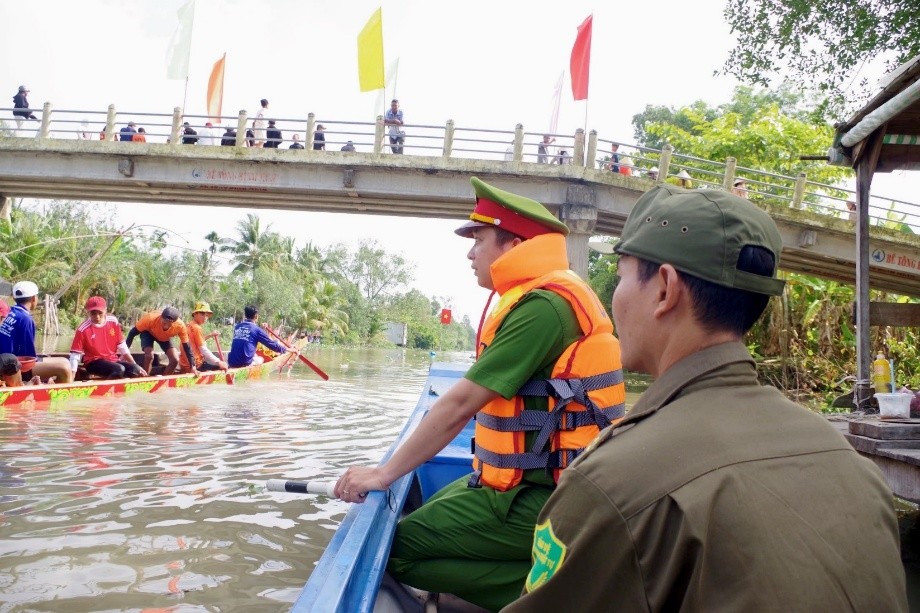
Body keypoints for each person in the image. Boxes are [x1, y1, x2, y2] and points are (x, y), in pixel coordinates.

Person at [505, 186, 907, 612]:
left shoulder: (613, 481)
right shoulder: (852, 466)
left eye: (621, 277)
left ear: (665, 289)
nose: (614, 298)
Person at [334, 177, 626, 610]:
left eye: (480, 240)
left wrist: (382, 475)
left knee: (391, 551)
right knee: (425, 511)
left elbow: (460, 404)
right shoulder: (541, 297)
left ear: (515, 245)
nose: (471, 253)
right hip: (520, 485)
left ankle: (561, 595)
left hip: (548, 497)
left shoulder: (543, 309)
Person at [0, 281, 73, 384]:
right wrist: (46, 376)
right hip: (12, 368)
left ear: (15, 298)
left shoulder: (7, 311)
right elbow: (28, 357)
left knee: (48, 359)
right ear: (34, 298)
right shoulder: (26, 319)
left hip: (5, 362)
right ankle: (61, 397)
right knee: (64, 366)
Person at [69, 296, 146, 380]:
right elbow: (75, 355)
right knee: (119, 369)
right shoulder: (82, 330)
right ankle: (107, 386)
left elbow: (122, 346)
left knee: (135, 369)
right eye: (93, 313)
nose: (97, 316)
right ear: (88, 313)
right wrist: (71, 377)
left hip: (112, 360)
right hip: (93, 362)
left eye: (100, 313)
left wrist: (136, 365)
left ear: (105, 311)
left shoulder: (113, 321)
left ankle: (115, 381)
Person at [125, 306, 196, 376]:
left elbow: (187, 347)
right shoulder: (150, 318)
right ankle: (144, 378)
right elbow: (132, 333)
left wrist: (193, 366)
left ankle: (165, 379)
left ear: (174, 322)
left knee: (175, 359)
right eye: (164, 323)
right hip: (148, 333)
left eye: (169, 324)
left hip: (165, 337)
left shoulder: (180, 326)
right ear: (161, 317)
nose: (165, 326)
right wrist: (125, 352)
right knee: (149, 356)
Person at [226, 305, 292, 368]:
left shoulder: (237, 327)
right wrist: (286, 349)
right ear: (256, 316)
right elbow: (271, 345)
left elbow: (249, 336)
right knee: (261, 359)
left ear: (245, 315)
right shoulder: (256, 329)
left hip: (232, 362)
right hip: (245, 362)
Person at [178, 301, 228, 373]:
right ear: (195, 314)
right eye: (202, 314)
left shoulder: (189, 325)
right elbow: (203, 349)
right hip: (196, 366)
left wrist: (210, 335)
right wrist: (219, 362)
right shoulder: (197, 328)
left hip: (183, 365)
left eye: (207, 315)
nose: (205, 317)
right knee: (223, 368)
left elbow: (196, 342)